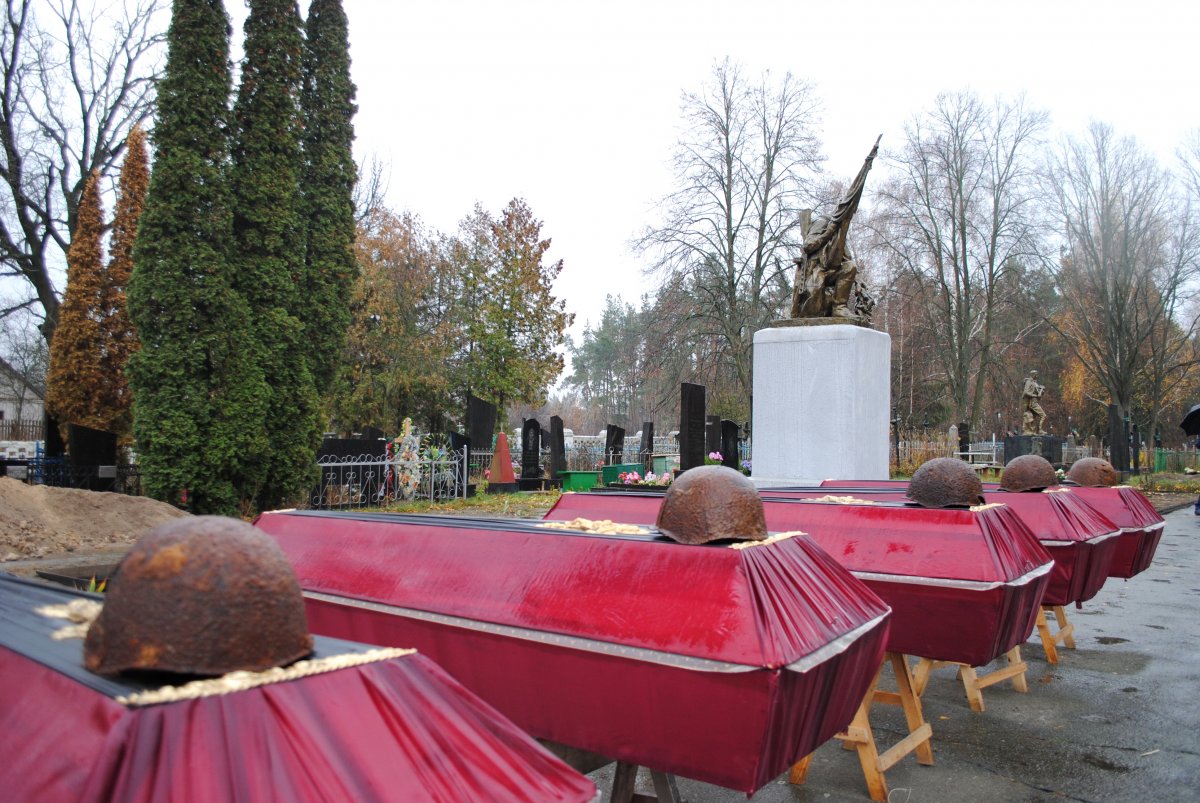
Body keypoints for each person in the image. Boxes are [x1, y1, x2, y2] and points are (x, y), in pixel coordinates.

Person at [1021, 371, 1046, 435]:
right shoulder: (1029, 382)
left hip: (1035, 402)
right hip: (1033, 403)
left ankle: (1033, 431)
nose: (1037, 376)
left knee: (1033, 418)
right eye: (1036, 374)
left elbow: (1038, 393)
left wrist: (1041, 391)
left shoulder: (1035, 383)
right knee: (1043, 415)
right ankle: (1040, 430)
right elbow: (1026, 392)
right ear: (1033, 374)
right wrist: (1035, 395)